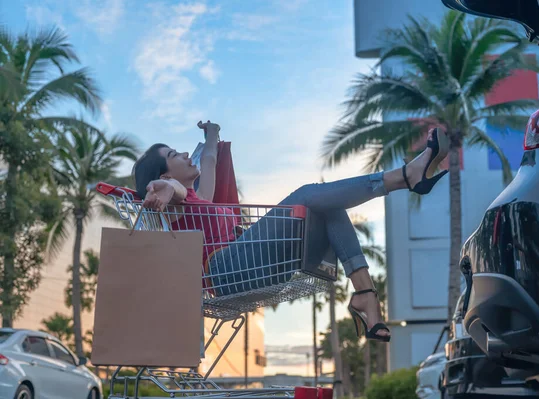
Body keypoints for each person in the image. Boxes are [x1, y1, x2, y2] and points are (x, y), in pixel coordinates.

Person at [133, 121, 449, 342]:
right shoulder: (176, 202)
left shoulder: (201, 197)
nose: (186, 155)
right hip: (229, 271)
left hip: (253, 268)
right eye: (175, 155)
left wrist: (212, 132)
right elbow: (169, 187)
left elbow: (210, 158)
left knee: (328, 204)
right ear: (164, 172)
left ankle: (365, 296)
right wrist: (160, 188)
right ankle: (405, 177)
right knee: (308, 194)